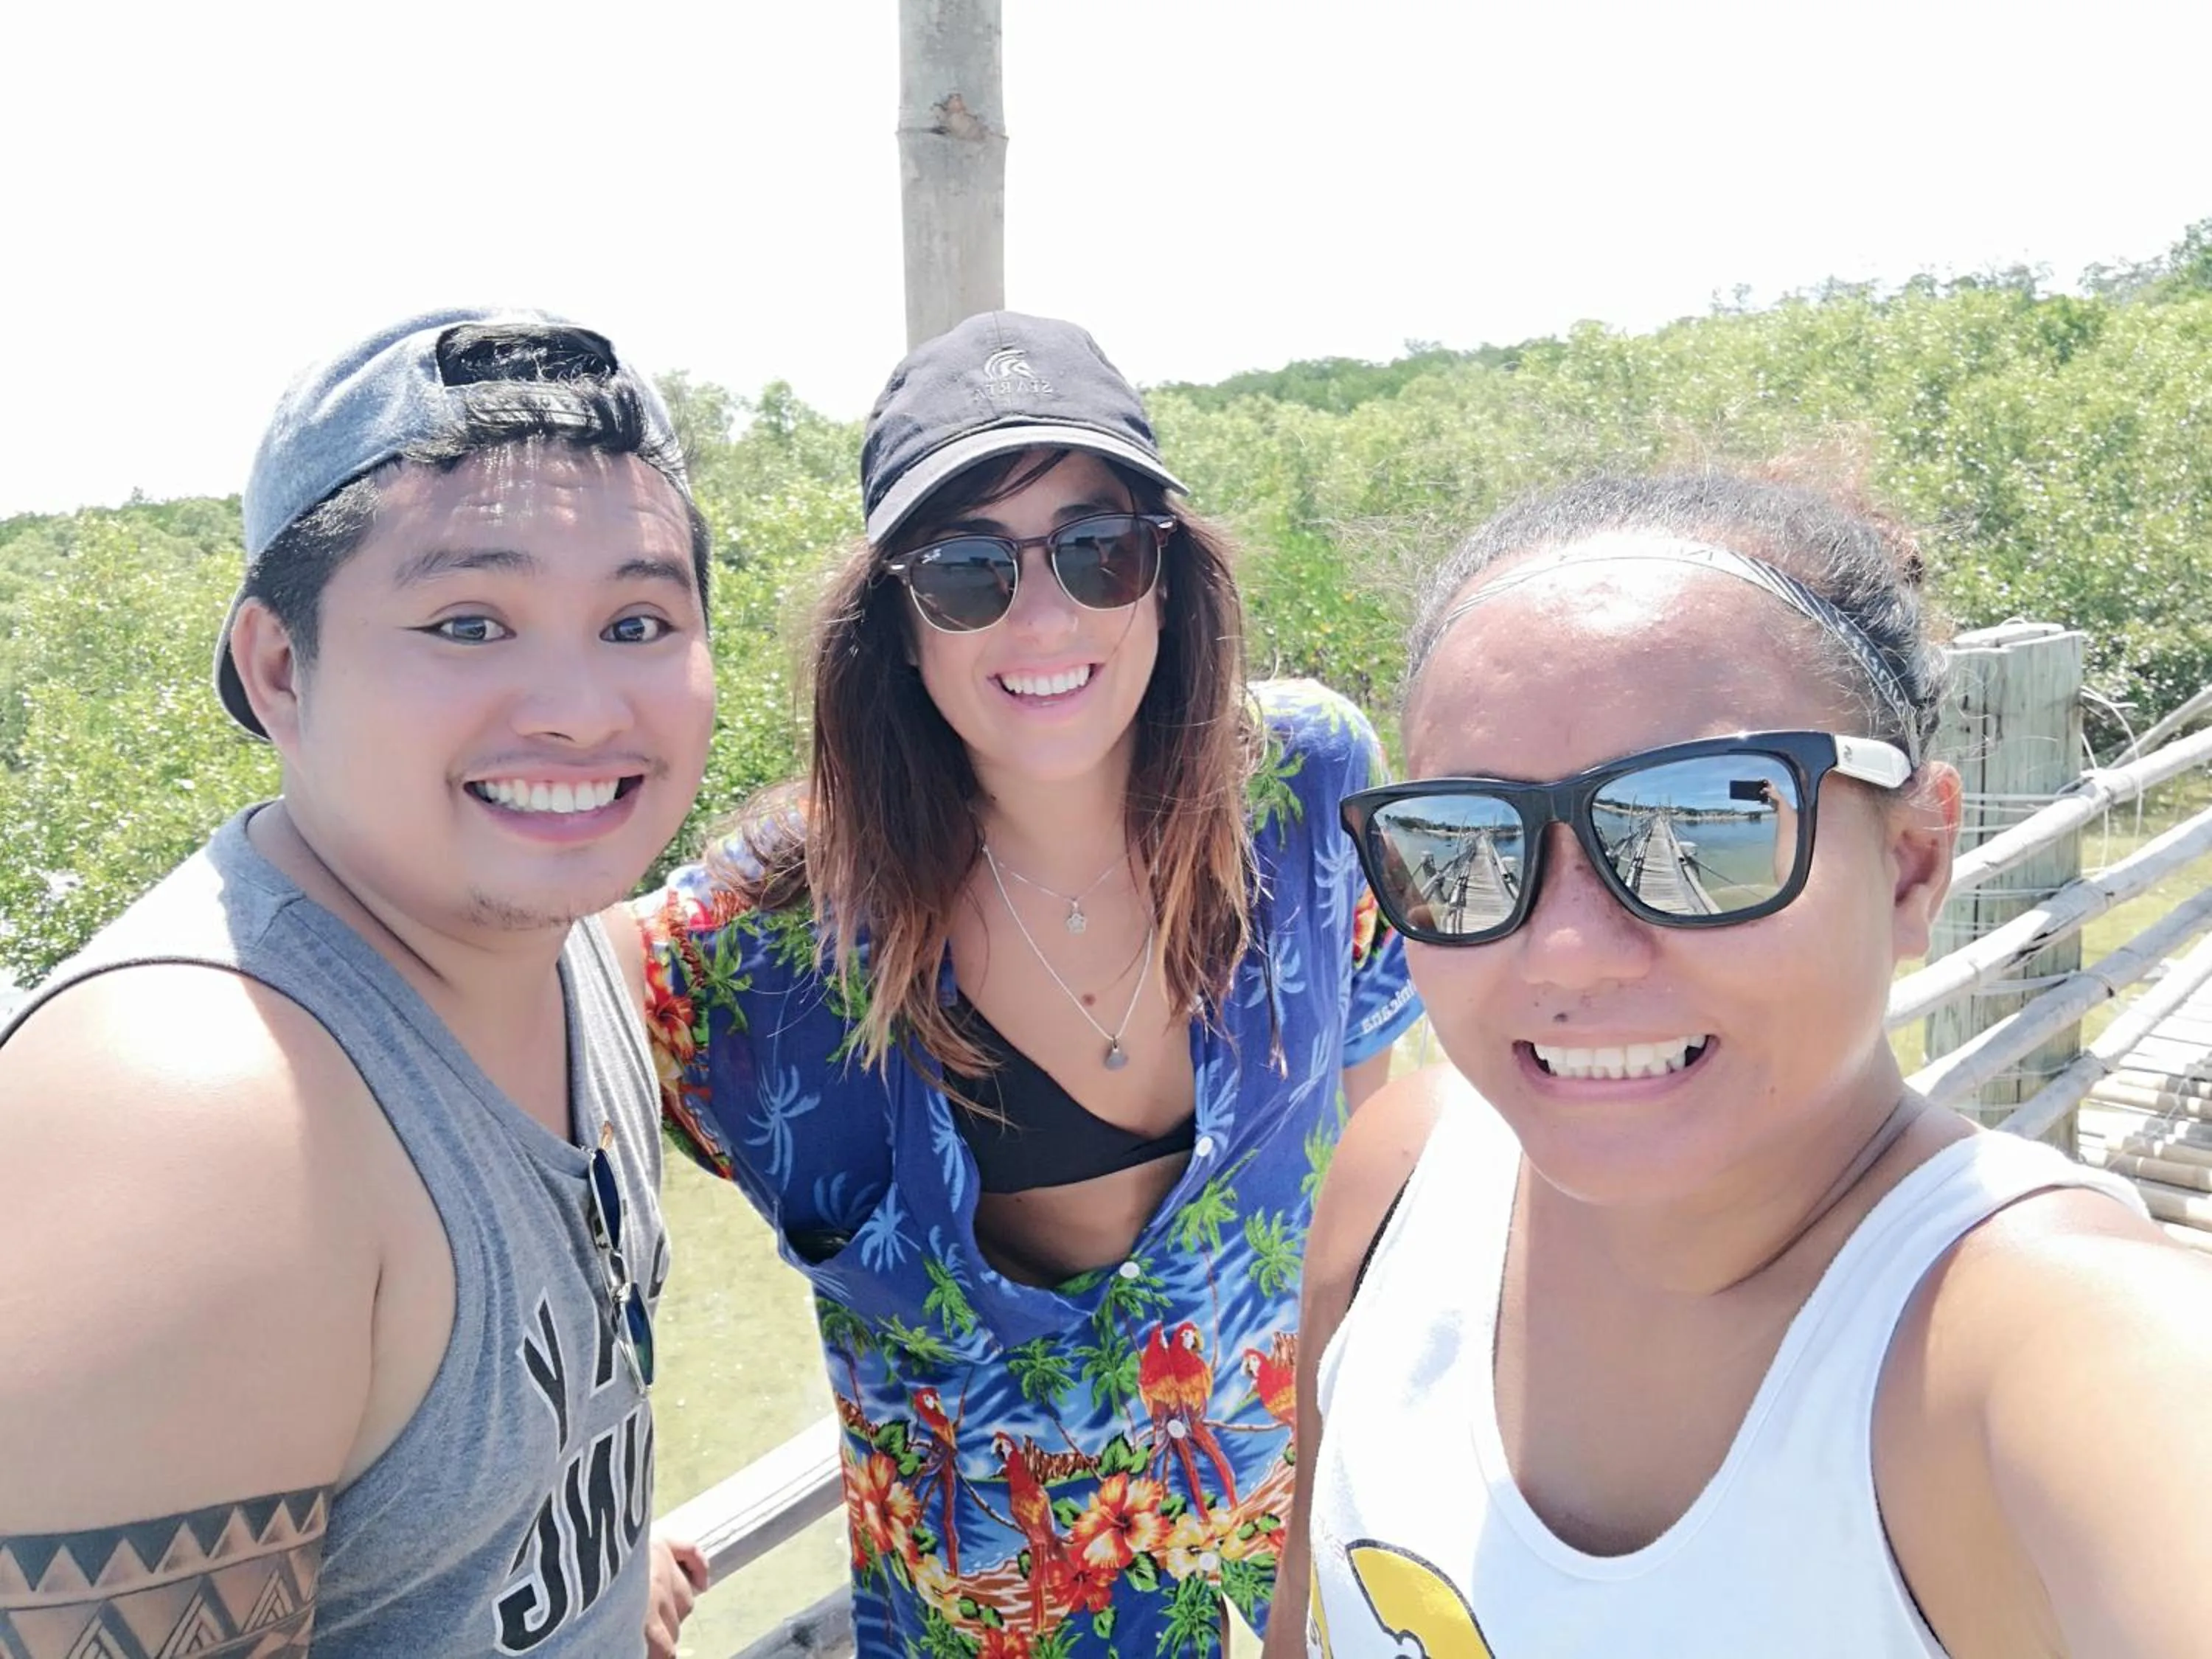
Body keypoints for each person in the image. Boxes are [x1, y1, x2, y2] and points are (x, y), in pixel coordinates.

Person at [1269, 473, 2212, 1658]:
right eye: (1468, 844)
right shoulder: (1402, 1172)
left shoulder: (2043, 1355)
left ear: (1914, 861)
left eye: (1703, 826)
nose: (1566, 947)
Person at [636, 312, 1421, 1655]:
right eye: (968, 568)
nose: (1047, 613)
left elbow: (1369, 1183)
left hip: (1311, 1571)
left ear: (1166, 578)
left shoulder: (1307, 792)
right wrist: (595, 1511)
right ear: (896, 619)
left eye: (1097, 550)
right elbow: (502, 1086)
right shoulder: (756, 937)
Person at [0, 309, 718, 1658]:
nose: (576, 707)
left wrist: (609, 1579)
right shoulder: (203, 1123)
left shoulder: (574, 962)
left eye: (634, 619)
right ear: (280, 666)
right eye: (468, 621)